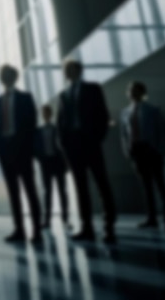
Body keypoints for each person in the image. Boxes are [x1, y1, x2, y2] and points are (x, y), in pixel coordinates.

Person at [57, 60, 116, 243]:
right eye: (67, 69)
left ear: (79, 70)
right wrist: (64, 145)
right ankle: (87, 227)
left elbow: (103, 115)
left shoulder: (93, 88)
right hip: (73, 146)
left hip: (90, 142)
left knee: (101, 183)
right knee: (81, 188)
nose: (69, 72)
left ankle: (109, 227)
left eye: (72, 68)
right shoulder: (63, 94)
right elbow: (61, 123)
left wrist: (96, 138)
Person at [0, 64, 42, 243]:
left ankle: (37, 230)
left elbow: (32, 124)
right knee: (13, 193)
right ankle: (19, 230)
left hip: (22, 150)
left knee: (30, 190)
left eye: (8, 74)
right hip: (4, 152)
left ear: (15, 77)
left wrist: (29, 148)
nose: (5, 77)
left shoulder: (26, 97)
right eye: (2, 75)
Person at [120, 81, 165, 230]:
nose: (132, 93)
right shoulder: (125, 112)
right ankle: (152, 218)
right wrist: (127, 151)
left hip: (152, 150)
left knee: (160, 184)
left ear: (142, 92)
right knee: (146, 186)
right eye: (130, 90)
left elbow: (163, 130)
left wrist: (159, 149)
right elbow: (124, 134)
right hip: (136, 151)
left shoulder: (153, 110)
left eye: (136, 90)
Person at [34, 104, 70, 230]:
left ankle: (65, 219)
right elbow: (36, 148)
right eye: (44, 112)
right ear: (42, 115)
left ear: (51, 113)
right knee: (47, 192)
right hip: (46, 163)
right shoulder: (38, 131)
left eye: (47, 112)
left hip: (57, 162)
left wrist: (66, 163)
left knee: (62, 191)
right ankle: (47, 220)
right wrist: (40, 159)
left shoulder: (57, 129)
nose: (46, 114)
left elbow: (63, 147)